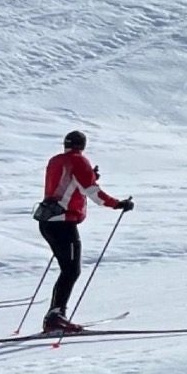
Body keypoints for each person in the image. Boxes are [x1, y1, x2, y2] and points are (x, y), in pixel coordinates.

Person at [36, 130, 132, 334]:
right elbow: (93, 193)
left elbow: (66, 184)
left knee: (67, 269)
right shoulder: (79, 161)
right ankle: (55, 318)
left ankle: (55, 315)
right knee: (71, 270)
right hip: (63, 222)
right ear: (83, 145)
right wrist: (118, 204)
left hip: (47, 221)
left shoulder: (56, 160)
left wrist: (89, 176)